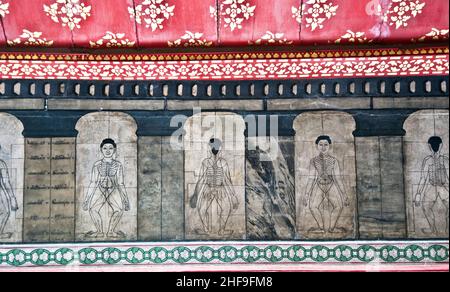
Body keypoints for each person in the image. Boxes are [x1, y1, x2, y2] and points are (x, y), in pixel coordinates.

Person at [190, 138, 239, 236]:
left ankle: (221, 230)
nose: (214, 149)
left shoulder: (223, 163)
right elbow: (201, 179)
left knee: (226, 209)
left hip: (220, 189)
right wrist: (195, 195)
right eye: (213, 147)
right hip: (208, 189)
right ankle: (206, 229)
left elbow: (227, 180)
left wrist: (233, 196)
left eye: (216, 147)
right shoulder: (205, 162)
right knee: (202, 209)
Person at [83, 139, 130, 239]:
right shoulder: (97, 165)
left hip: (113, 190)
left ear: (114, 150)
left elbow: (120, 183)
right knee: (92, 209)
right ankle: (99, 232)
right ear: (101, 150)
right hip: (100, 190)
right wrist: (87, 200)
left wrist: (126, 200)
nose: (108, 150)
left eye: (110, 148)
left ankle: (111, 231)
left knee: (119, 210)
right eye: (105, 148)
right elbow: (93, 182)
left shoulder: (118, 165)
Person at [303, 135, 349, 234]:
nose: (323, 147)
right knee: (312, 206)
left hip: (331, 184)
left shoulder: (334, 161)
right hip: (318, 184)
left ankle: (331, 228)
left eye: (326, 145)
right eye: (321, 145)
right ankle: (321, 228)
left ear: (329, 146)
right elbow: (311, 178)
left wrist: (344, 195)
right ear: (317, 146)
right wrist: (306, 195)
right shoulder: (313, 161)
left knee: (339, 206)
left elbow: (338, 178)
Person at [414, 136, 449, 235]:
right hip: (432, 187)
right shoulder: (428, 160)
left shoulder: (445, 160)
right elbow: (423, 178)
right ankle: (433, 229)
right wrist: (418, 194)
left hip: (444, 187)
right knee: (426, 207)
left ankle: (446, 229)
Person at [0, 147, 19, 239]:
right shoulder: (1, 163)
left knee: (4, 212)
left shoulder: (1, 163)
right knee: (5, 212)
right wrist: (12, 198)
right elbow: (6, 182)